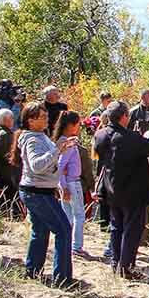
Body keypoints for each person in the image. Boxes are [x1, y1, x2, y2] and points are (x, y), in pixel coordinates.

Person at [94, 99, 149, 279]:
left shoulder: (101, 135)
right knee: (132, 229)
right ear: (124, 116)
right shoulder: (129, 138)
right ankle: (126, 267)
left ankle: (116, 262)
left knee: (116, 227)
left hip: (111, 189)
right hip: (133, 191)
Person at [14, 101, 79, 287]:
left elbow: (48, 163)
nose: (46, 119)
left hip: (38, 190)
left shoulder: (39, 136)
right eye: (41, 117)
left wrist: (60, 149)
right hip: (37, 193)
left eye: (46, 116)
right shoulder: (33, 139)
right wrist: (57, 149)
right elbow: (37, 166)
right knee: (64, 230)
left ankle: (33, 270)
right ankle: (62, 278)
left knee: (40, 231)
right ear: (30, 120)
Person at [53, 111, 87, 259]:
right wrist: (64, 187)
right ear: (72, 125)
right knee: (79, 215)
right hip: (72, 182)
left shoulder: (61, 140)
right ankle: (76, 246)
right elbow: (60, 165)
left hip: (66, 182)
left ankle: (67, 243)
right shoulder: (68, 143)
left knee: (67, 215)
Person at [0, 109, 21, 215]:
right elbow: (8, 154)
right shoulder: (8, 135)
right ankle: (12, 213)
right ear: (6, 120)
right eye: (11, 118)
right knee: (10, 193)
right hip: (8, 170)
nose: (13, 121)